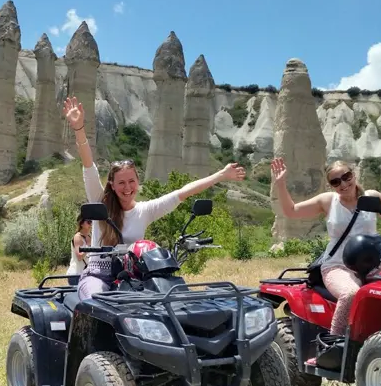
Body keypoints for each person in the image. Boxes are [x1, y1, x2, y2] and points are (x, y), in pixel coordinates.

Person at [62, 95, 247, 300]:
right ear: (112, 185)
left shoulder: (145, 210)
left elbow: (183, 192)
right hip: (100, 275)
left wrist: (221, 175)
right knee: (96, 301)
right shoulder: (100, 202)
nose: (127, 187)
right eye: (121, 183)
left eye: (131, 181)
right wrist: (79, 129)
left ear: (138, 181)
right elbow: (89, 166)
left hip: (136, 277)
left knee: (170, 303)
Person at [270, 157, 381, 336]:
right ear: (331, 186)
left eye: (346, 177)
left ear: (354, 174)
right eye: (336, 182)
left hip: (375, 265)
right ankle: (337, 342)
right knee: (350, 294)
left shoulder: (372, 198)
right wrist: (280, 184)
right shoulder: (328, 201)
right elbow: (291, 211)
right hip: (338, 265)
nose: (343, 184)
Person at [66, 212, 92, 285]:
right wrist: (88, 246)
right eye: (89, 222)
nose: (91, 224)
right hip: (76, 274)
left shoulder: (89, 236)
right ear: (81, 224)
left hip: (85, 274)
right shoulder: (78, 237)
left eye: (91, 222)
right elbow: (79, 257)